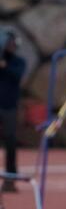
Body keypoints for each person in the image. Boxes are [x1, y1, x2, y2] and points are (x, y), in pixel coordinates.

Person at [0, 28, 26, 192]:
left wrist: (5, 66)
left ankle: (10, 178)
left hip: (9, 107)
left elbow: (17, 75)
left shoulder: (18, 61)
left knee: (10, 142)